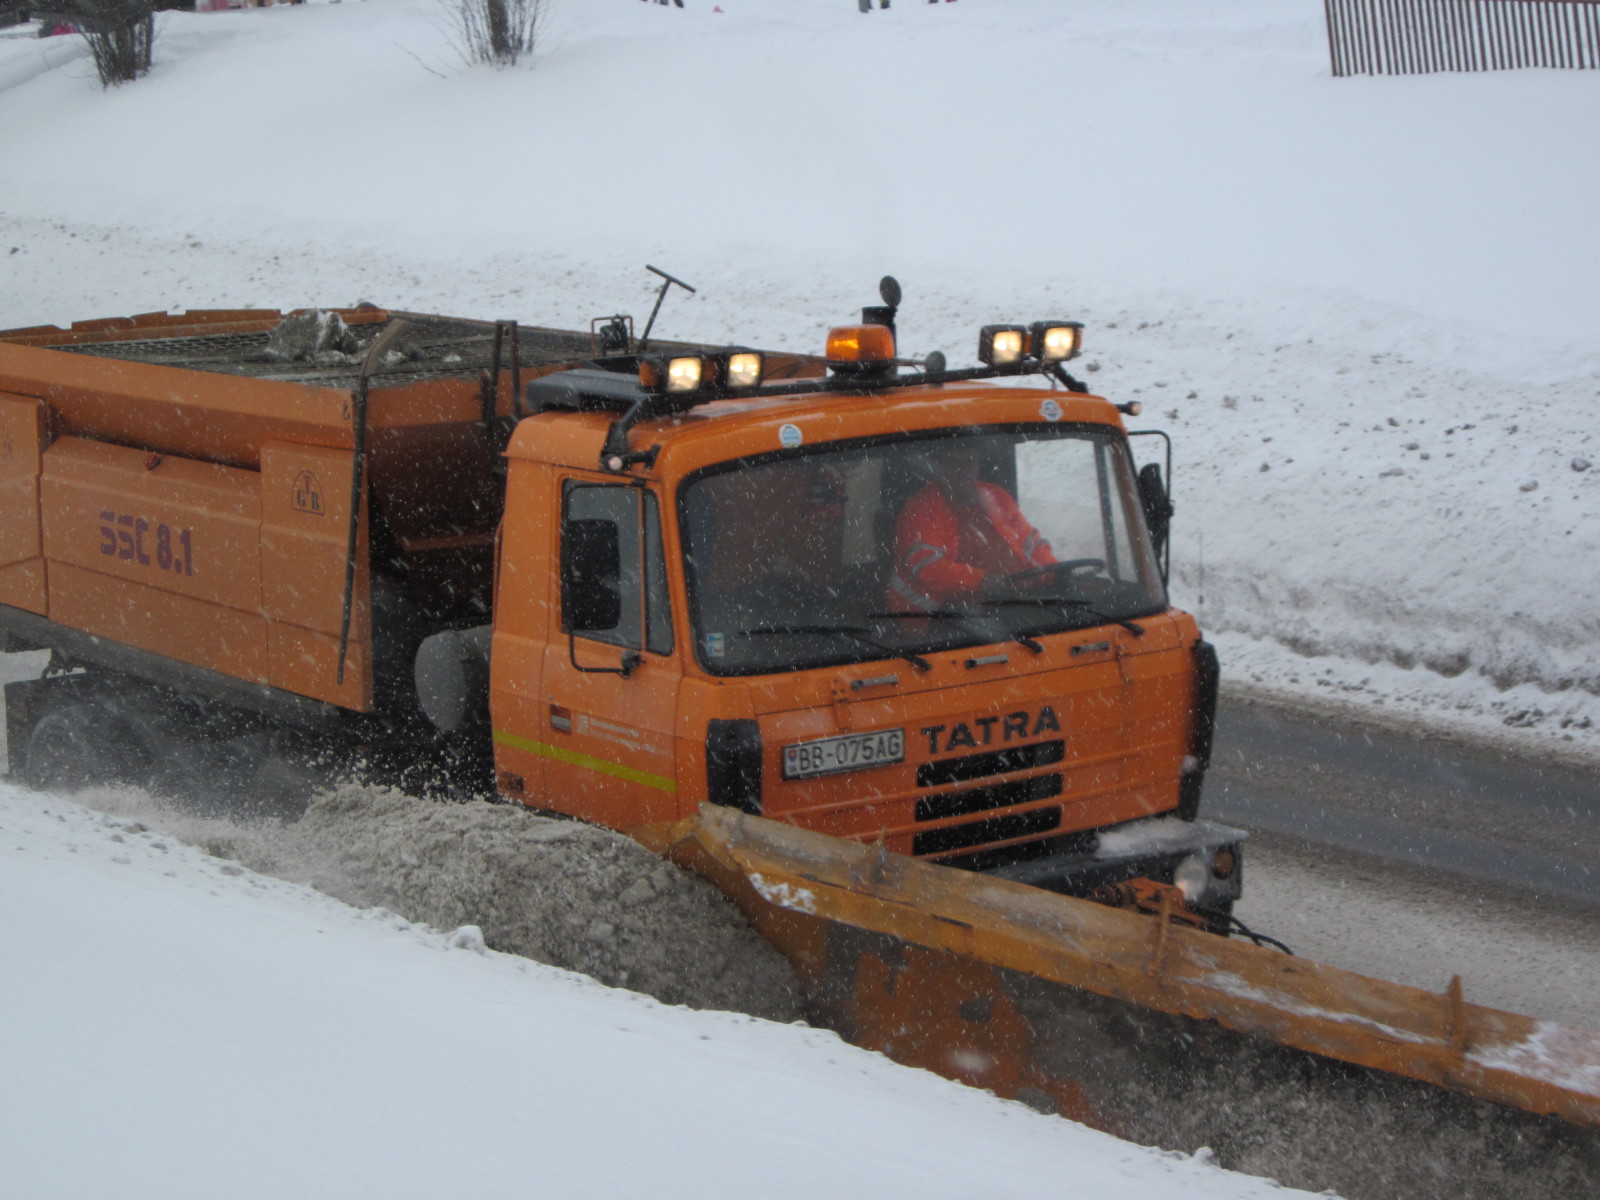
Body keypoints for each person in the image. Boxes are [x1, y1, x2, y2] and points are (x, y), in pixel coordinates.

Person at [887, 441, 1055, 613]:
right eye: (954, 463)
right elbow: (926, 566)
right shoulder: (920, 509)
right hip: (945, 622)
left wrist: (1054, 572)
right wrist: (980, 580)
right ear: (939, 466)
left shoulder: (997, 496)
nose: (963, 470)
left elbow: (1032, 544)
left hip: (1016, 606)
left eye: (969, 461)